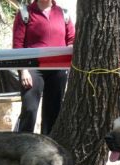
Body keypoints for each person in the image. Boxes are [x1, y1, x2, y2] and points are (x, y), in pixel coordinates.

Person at [12, 0, 75, 135]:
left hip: (57, 69)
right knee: (29, 109)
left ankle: (48, 147)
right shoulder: (25, 13)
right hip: (32, 68)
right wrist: (23, 71)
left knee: (53, 111)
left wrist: (67, 52)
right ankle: (21, 145)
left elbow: (72, 40)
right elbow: (17, 46)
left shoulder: (63, 14)